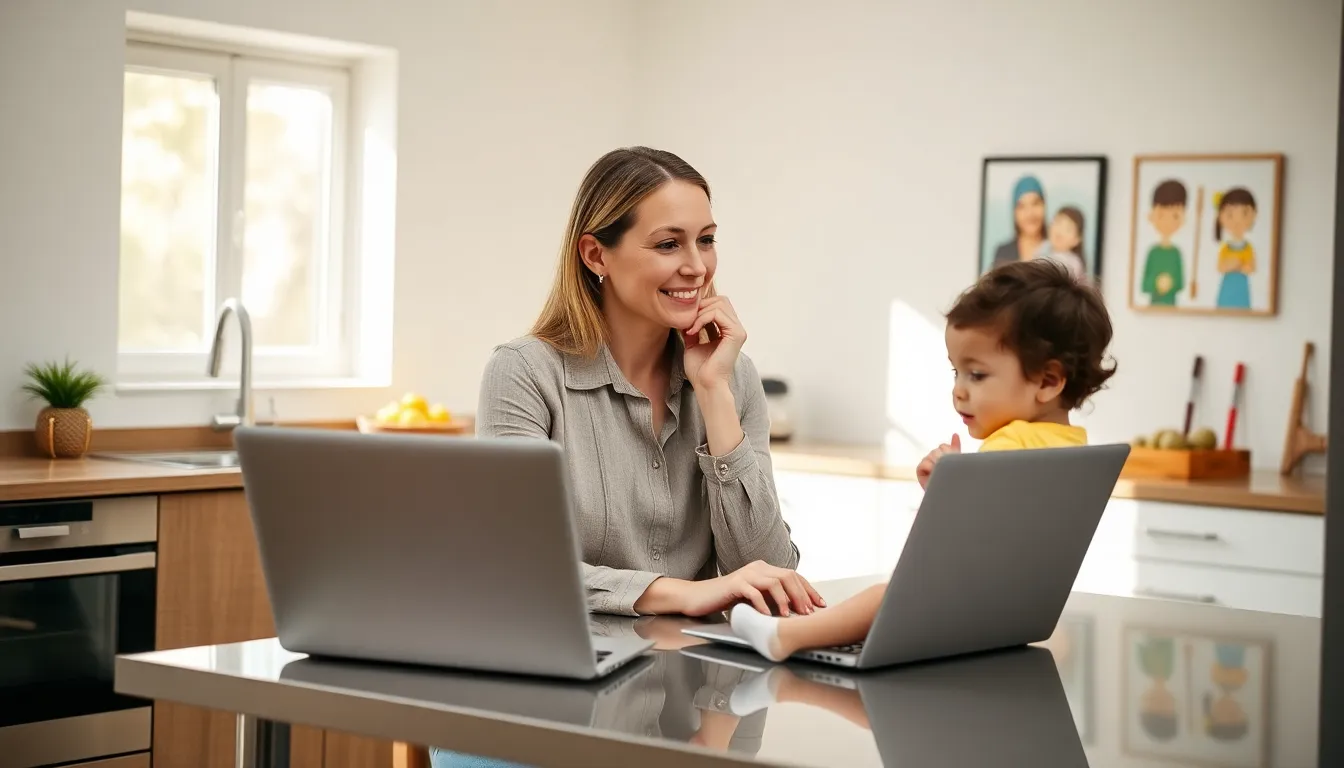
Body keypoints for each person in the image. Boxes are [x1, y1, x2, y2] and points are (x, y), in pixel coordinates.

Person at [476, 146, 821, 619]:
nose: (697, 266)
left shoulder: (732, 376)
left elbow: (770, 574)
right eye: (668, 245)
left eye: (706, 240)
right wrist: (684, 594)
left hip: (699, 659)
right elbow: (515, 562)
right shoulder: (524, 373)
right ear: (595, 255)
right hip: (570, 650)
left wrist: (714, 393)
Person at [727, 259, 1117, 662]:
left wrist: (952, 489)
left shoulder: (1010, 445)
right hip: (1008, 618)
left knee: (887, 597)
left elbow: (947, 549)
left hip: (960, 605)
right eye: (956, 372)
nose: (959, 391)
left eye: (977, 375)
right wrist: (954, 485)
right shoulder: (1073, 447)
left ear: (1048, 381)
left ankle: (786, 635)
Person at [1141, 179, 1189, 306]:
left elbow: (1180, 283)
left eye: (1175, 216)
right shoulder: (1153, 252)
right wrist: (1157, 283)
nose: (1168, 221)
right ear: (1151, 215)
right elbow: (1145, 284)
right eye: (1162, 215)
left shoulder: (1176, 253)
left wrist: (1170, 283)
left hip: (1171, 305)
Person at [990, 174, 1049, 270]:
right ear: (1014, 212)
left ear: (1044, 205)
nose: (1029, 214)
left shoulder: (1058, 249)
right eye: (1022, 207)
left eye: (1035, 203)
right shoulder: (1003, 253)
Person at [1212, 187, 1258, 310]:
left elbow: (1251, 267)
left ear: (1253, 215)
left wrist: (1239, 265)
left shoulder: (1248, 247)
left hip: (1241, 287)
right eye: (1230, 215)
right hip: (1227, 286)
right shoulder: (1225, 248)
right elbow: (1220, 267)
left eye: (1244, 214)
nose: (1237, 221)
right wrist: (1233, 265)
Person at [1042, 206, 1088, 281]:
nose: (1060, 230)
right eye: (1058, 223)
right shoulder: (1042, 249)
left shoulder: (1073, 264)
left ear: (1077, 239)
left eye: (1068, 228)